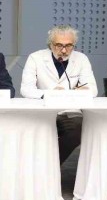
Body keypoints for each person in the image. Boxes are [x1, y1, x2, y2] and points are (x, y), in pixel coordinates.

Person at [21, 25, 97, 164]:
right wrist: (50, 94)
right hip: (43, 109)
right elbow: (26, 89)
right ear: (50, 44)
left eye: (69, 45)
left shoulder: (81, 59)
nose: (64, 50)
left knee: (79, 130)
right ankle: (38, 166)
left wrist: (77, 92)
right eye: (59, 45)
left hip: (69, 111)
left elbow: (92, 90)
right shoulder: (35, 58)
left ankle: (49, 165)